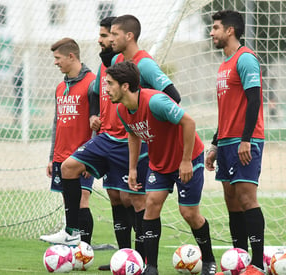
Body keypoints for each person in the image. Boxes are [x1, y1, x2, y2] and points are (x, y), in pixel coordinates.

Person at [107, 61, 217, 275]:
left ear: (126, 86)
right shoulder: (122, 109)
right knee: (151, 205)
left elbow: (189, 123)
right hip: (159, 164)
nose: (106, 89)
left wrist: (185, 161)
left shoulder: (156, 102)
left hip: (189, 159)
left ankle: (209, 261)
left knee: (189, 213)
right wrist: (132, 169)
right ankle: (151, 267)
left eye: (110, 84)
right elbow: (133, 134)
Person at [91, 15, 182, 271]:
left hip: (139, 144)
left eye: (114, 35)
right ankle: (126, 257)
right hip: (118, 140)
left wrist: (152, 129)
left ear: (128, 36)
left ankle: (141, 260)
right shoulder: (119, 61)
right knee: (118, 197)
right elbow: (100, 93)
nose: (110, 39)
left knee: (138, 201)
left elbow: (173, 97)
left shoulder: (145, 64)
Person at [205, 10, 265, 275]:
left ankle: (258, 264)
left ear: (230, 30)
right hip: (227, 142)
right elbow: (226, 110)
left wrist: (246, 140)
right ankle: (238, 262)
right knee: (231, 200)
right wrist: (216, 144)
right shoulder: (223, 65)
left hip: (244, 141)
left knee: (246, 198)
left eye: (215, 27)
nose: (211, 32)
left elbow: (254, 101)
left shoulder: (246, 59)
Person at [39, 38, 97, 246]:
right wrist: (51, 156)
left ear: (71, 56)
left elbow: (97, 122)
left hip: (82, 155)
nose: (55, 62)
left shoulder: (93, 83)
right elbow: (57, 123)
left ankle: (85, 247)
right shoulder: (60, 87)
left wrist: (92, 158)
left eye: (58, 58)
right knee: (68, 199)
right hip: (60, 155)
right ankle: (71, 238)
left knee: (82, 198)